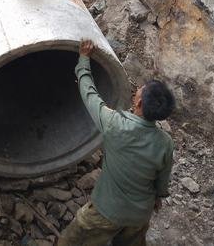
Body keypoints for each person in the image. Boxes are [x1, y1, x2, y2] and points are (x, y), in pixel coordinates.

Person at [57, 39, 175, 246]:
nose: (138, 89)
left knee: (72, 240)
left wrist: (83, 59)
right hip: (140, 215)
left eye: (141, 89)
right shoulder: (165, 142)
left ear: (139, 102)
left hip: (106, 211)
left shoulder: (115, 124)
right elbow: (162, 179)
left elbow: (89, 93)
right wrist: (158, 197)